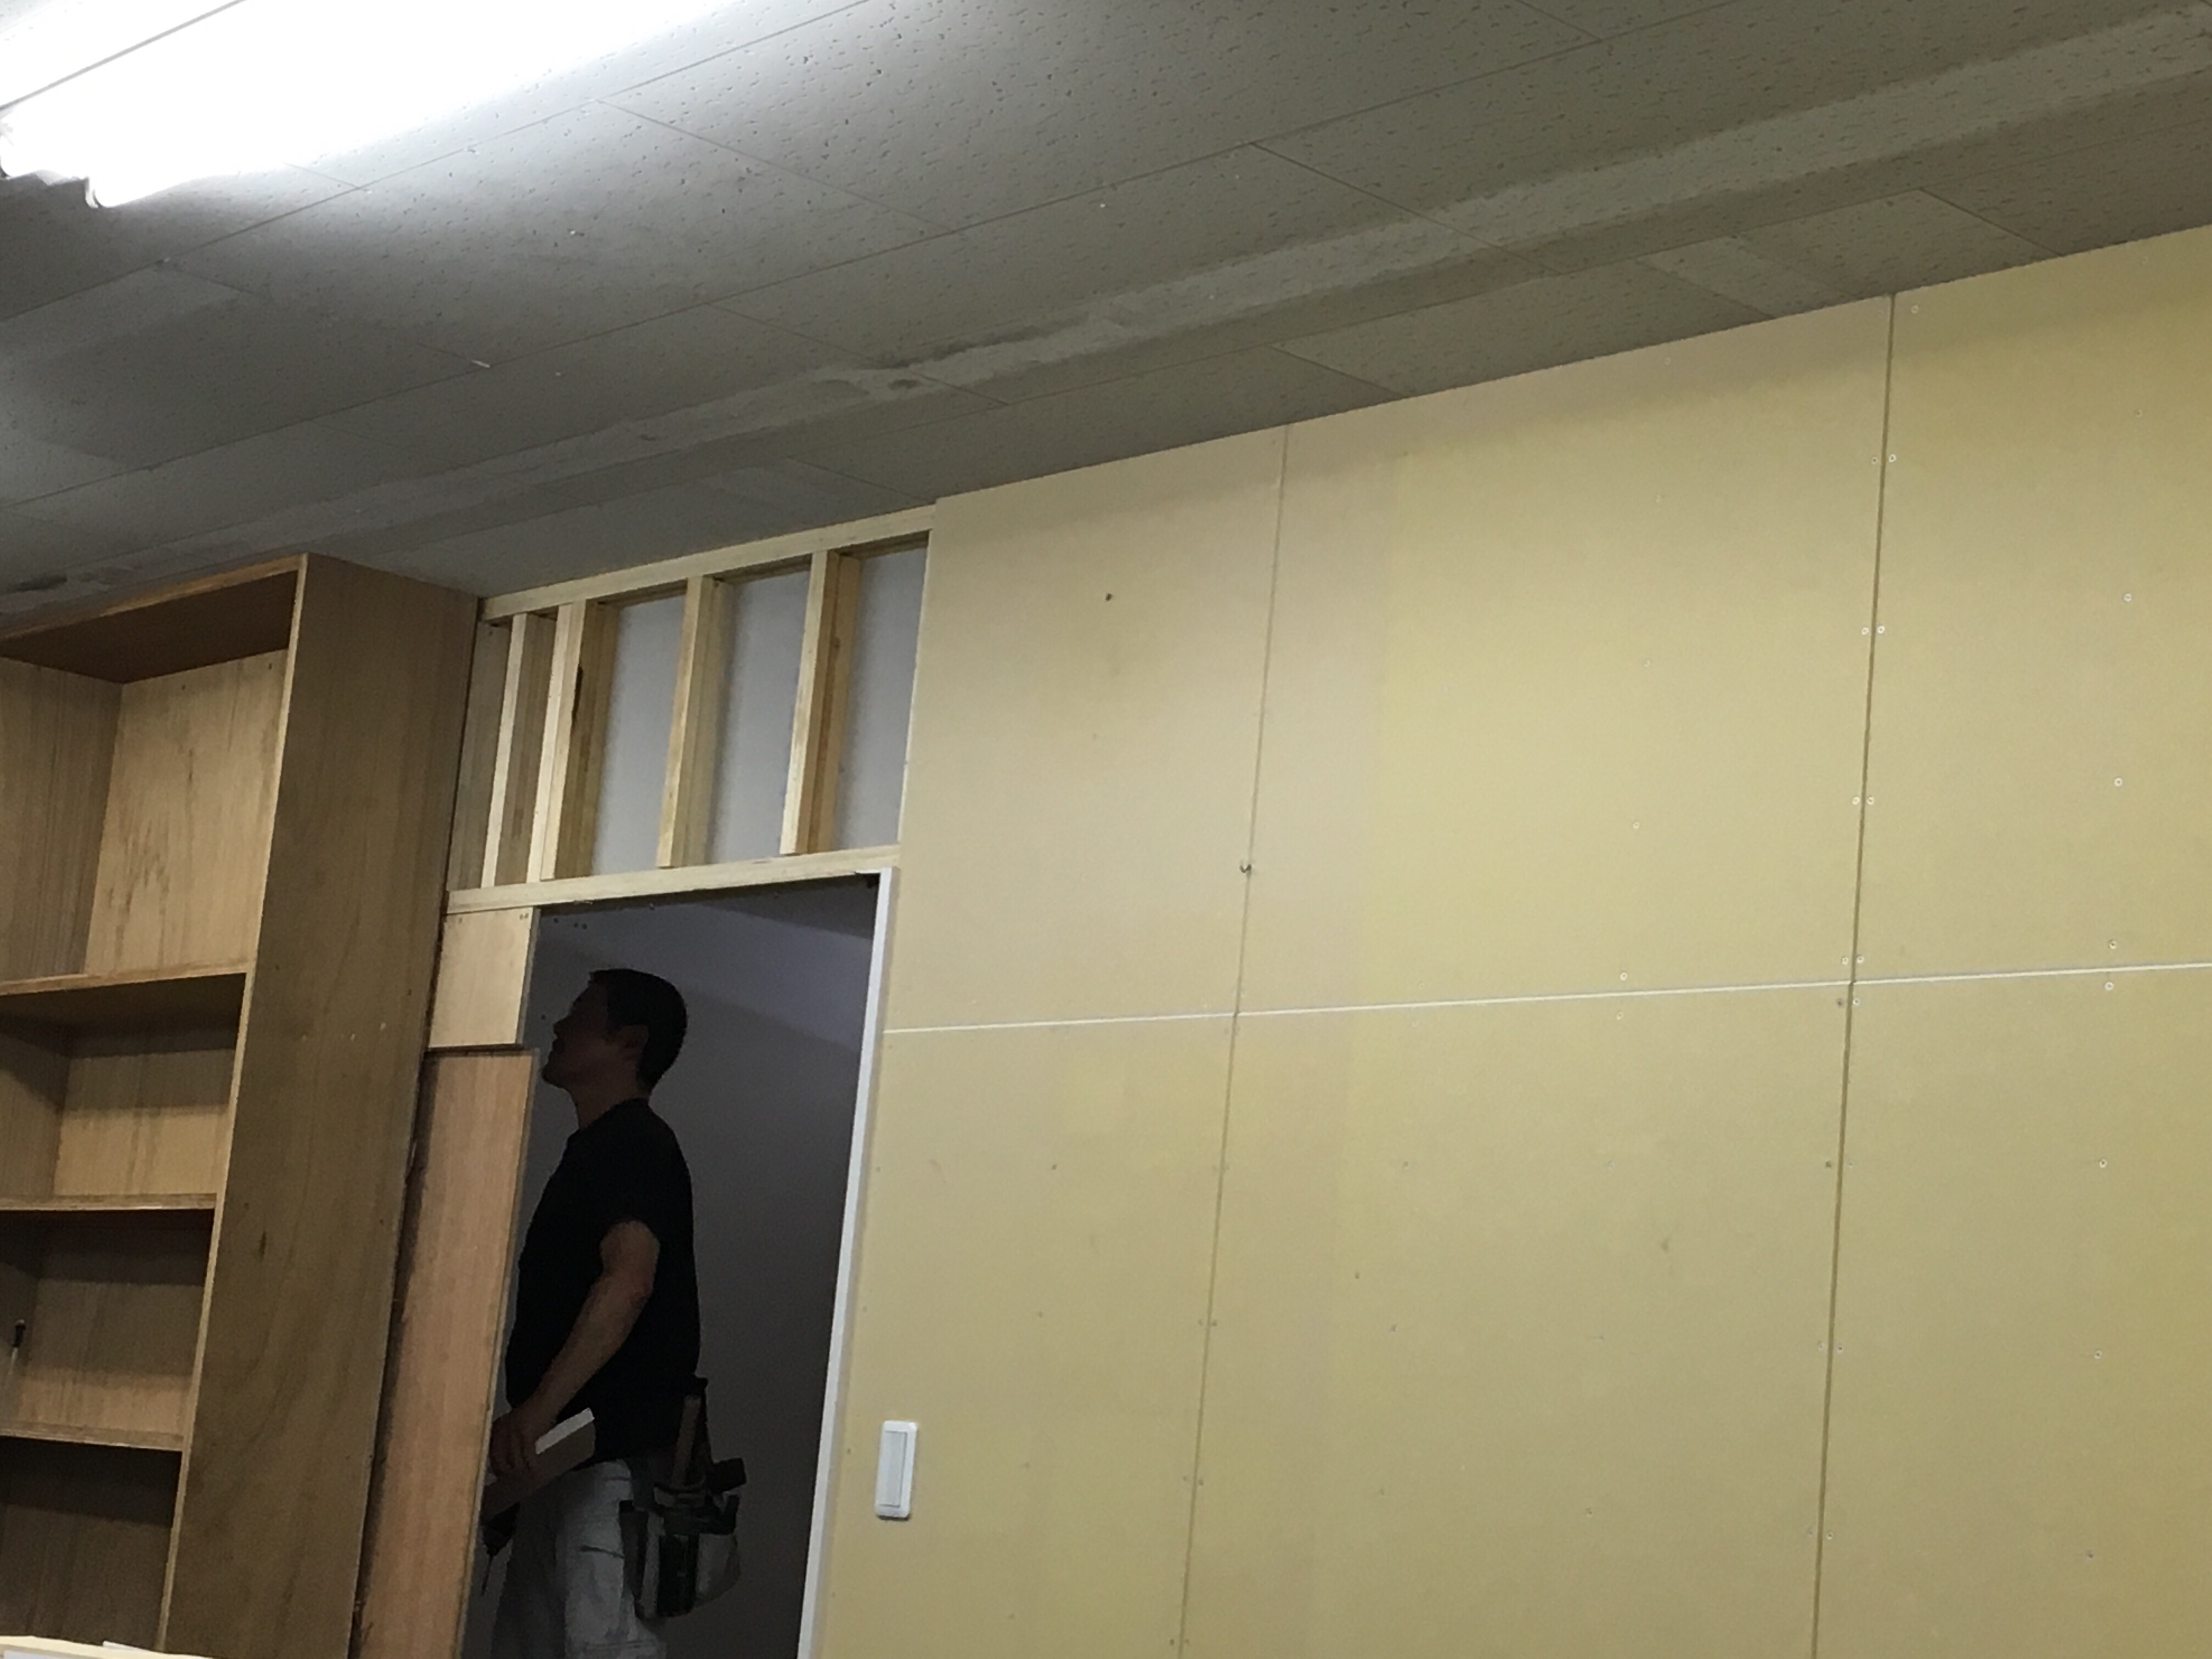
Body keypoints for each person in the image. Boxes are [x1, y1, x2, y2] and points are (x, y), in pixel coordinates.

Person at [489, 968, 699, 1659]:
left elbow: (628, 1281)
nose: (557, 1027)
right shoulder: (602, 1149)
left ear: (628, 1043)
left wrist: (537, 1413)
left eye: (580, 1015)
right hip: (565, 1468)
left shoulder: (632, 1144)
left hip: (604, 1471)